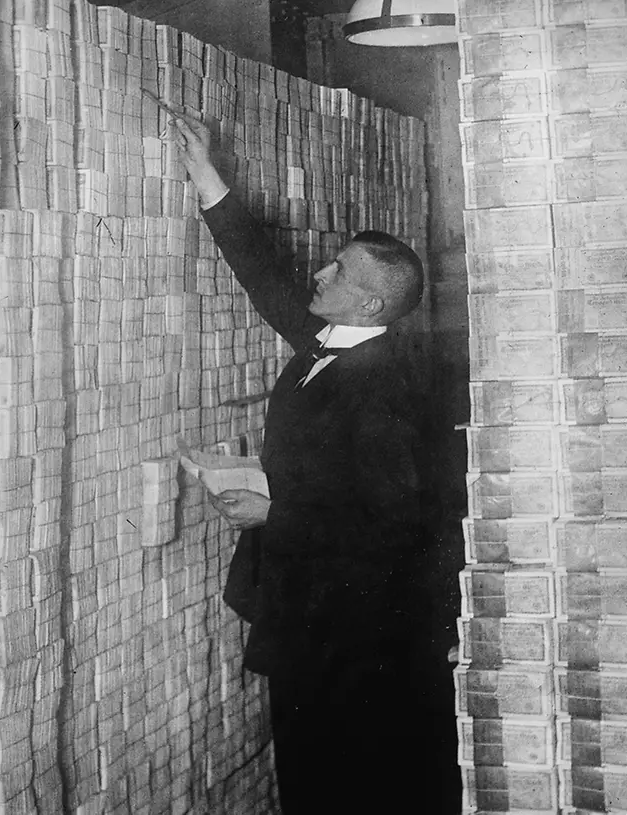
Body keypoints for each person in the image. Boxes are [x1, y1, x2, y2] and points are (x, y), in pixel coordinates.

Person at [166, 109, 457, 812]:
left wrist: (276, 512)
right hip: (309, 614)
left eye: (338, 270)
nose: (320, 273)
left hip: (354, 633)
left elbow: (394, 525)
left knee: (341, 782)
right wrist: (207, 177)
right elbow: (265, 278)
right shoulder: (333, 342)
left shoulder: (386, 387)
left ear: (371, 301)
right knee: (307, 775)